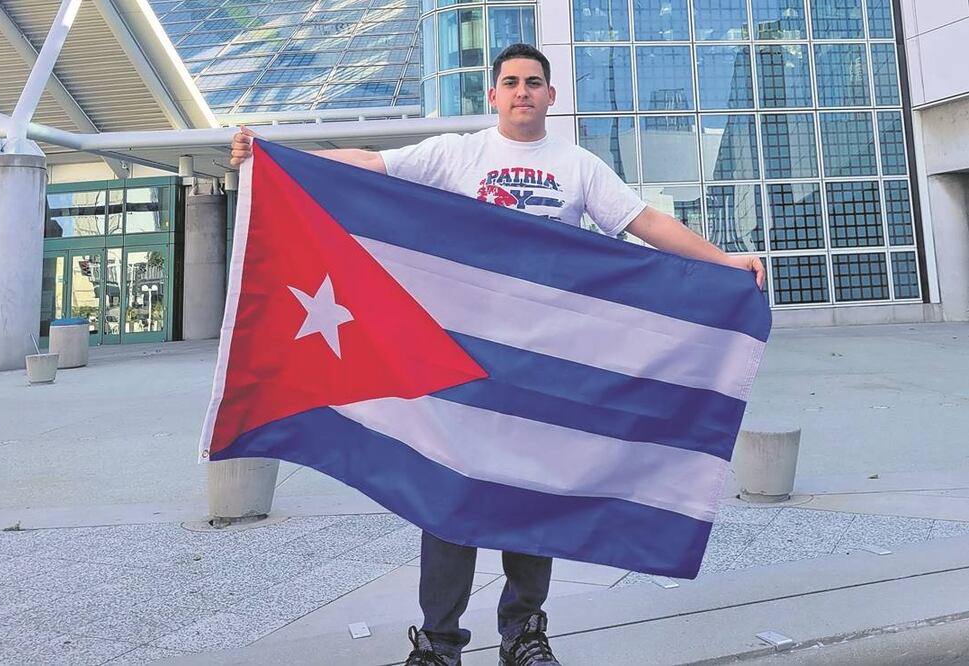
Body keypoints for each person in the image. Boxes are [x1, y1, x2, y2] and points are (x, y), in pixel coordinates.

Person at [231, 43, 764, 666]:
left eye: (533, 83)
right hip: (461, 360)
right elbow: (369, 165)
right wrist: (275, 157)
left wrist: (723, 262)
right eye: (510, 82)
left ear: (551, 96)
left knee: (533, 494)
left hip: (544, 364)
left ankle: (523, 636)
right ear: (492, 94)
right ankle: (438, 642)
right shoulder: (458, 152)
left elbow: (642, 222)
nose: (522, 92)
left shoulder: (578, 165)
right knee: (449, 494)